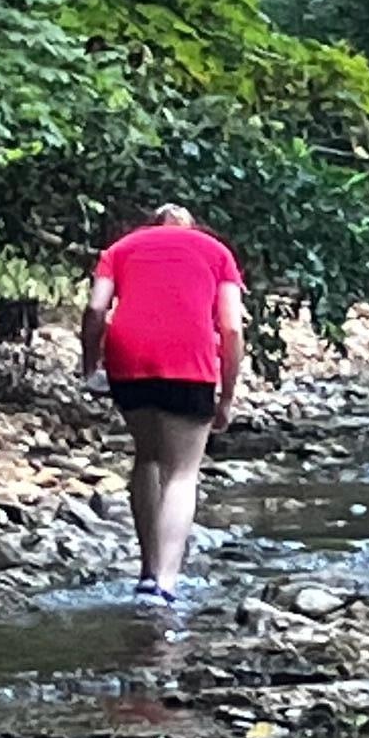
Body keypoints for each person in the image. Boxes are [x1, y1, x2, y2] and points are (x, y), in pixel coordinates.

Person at [78, 202, 245, 601]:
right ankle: (166, 584)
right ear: (191, 226)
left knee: (148, 457)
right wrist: (227, 396)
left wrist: (90, 366)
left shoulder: (121, 249)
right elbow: (232, 327)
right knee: (182, 473)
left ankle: (147, 570)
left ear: (151, 224)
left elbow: (96, 308)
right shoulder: (216, 252)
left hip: (129, 358)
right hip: (190, 361)